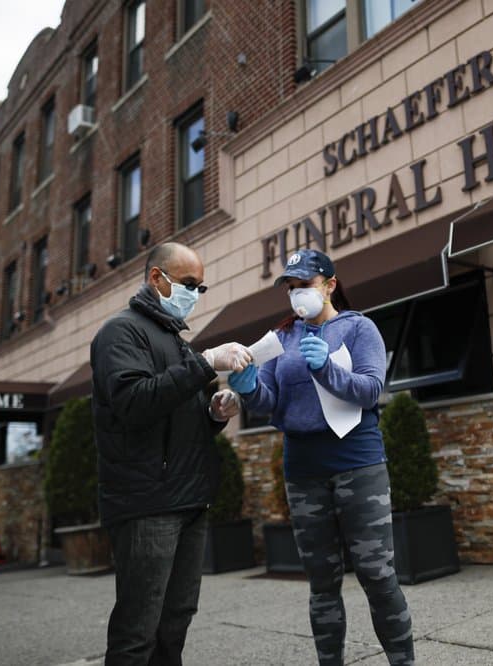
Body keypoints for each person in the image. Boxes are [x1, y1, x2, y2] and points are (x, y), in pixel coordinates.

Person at [228, 249, 414, 666]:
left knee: (377, 575)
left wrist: (326, 368)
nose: (297, 294)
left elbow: (371, 389)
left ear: (329, 285)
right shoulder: (281, 338)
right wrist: (249, 388)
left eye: (305, 285)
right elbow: (270, 401)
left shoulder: (359, 328)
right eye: (291, 288)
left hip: (357, 463)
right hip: (303, 469)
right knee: (321, 582)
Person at [90, 241, 252, 666]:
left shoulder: (175, 341)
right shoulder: (120, 332)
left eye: (201, 287)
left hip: (189, 499)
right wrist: (206, 362)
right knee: (137, 630)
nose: (195, 294)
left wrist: (214, 414)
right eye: (188, 284)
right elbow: (134, 402)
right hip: (147, 503)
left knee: (175, 621)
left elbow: (178, 419)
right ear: (156, 278)